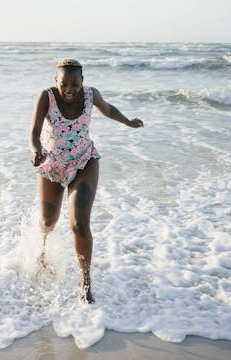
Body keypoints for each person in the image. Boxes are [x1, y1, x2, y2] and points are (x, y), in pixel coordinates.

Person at [29, 59, 144, 303]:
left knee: (79, 224)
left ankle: (85, 281)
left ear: (82, 81)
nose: (69, 89)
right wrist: (35, 151)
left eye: (75, 84)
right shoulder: (46, 97)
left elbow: (108, 109)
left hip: (84, 161)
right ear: (56, 81)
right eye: (64, 84)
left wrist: (128, 122)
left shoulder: (91, 95)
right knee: (48, 220)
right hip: (53, 163)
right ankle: (42, 251)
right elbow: (34, 133)